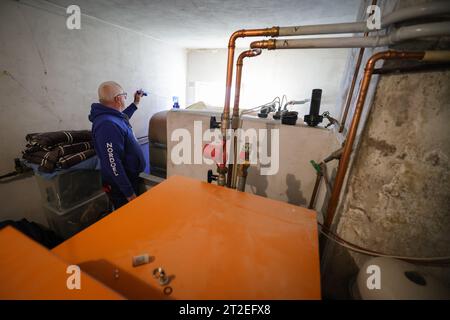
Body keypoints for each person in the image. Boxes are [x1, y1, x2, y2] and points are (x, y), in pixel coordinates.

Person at [89, 81, 146, 209]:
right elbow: (112, 162)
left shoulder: (111, 117)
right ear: (118, 98)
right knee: (127, 219)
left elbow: (123, 117)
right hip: (121, 186)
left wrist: (135, 103)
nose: (125, 98)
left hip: (128, 178)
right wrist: (129, 193)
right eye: (124, 95)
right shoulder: (107, 124)